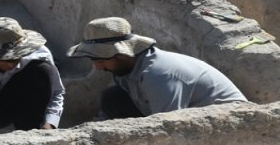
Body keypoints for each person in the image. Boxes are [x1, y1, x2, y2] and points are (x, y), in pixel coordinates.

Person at [67, 17, 247, 119]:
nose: (97, 67)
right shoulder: (126, 67)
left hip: (229, 120)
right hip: (180, 112)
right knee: (113, 98)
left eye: (101, 60)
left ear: (122, 54)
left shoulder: (159, 76)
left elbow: (168, 126)